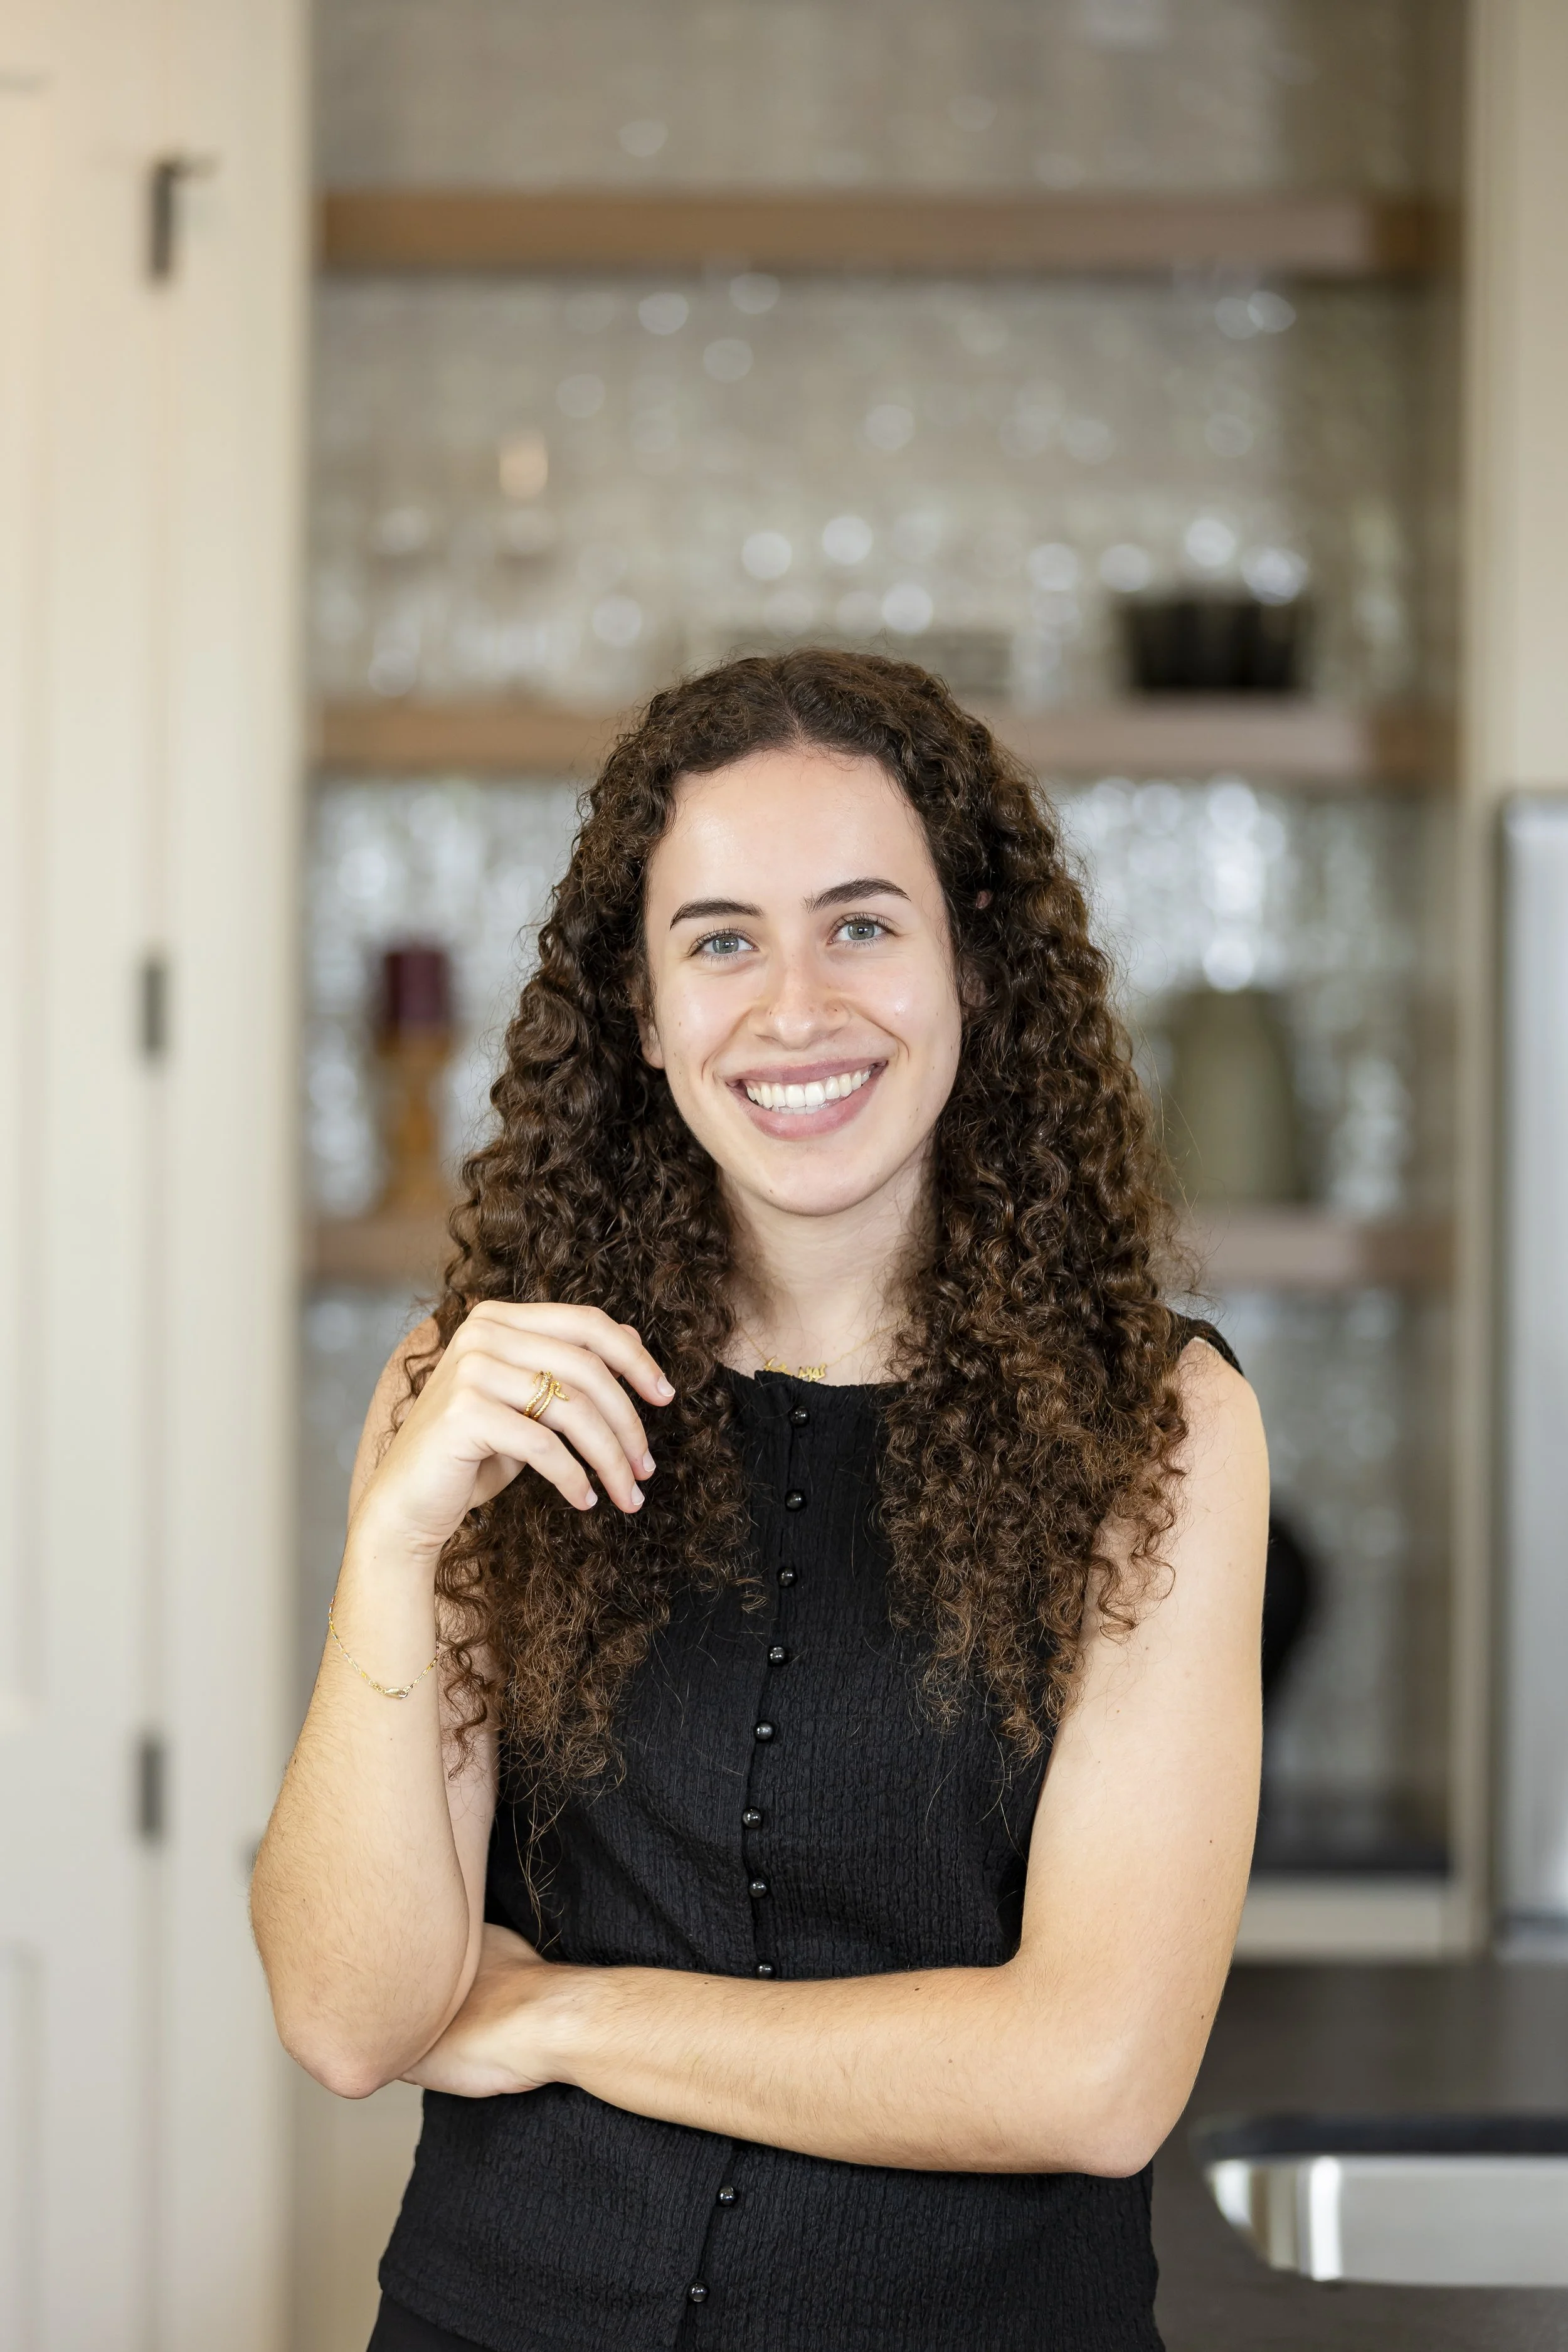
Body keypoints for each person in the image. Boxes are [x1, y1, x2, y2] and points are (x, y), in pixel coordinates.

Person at [252, 649, 1268, 2352]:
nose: (793, 1007)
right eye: (719, 938)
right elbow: (353, 2016)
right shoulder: (481, 1391)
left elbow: (1092, 2075)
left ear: (975, 972)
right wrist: (396, 1545)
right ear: (643, 1013)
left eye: (861, 923)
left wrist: (562, 2013)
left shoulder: (1156, 1423)